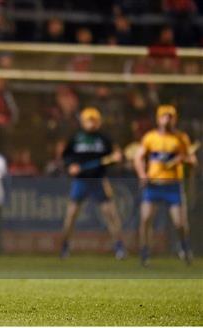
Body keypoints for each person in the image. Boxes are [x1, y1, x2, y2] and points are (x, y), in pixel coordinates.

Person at [60, 107, 126, 259]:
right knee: (71, 215)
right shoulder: (76, 138)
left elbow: (115, 154)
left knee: (111, 215)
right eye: (88, 120)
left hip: (99, 180)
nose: (91, 123)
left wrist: (117, 157)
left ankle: (119, 247)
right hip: (80, 181)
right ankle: (65, 246)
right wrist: (70, 166)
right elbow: (66, 157)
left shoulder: (104, 139)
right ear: (83, 122)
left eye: (94, 120)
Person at [134, 105, 195, 266]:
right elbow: (138, 157)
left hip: (173, 185)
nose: (166, 119)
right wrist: (142, 174)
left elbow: (192, 160)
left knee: (179, 223)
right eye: (164, 116)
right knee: (146, 219)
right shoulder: (150, 137)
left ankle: (184, 246)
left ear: (174, 119)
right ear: (158, 118)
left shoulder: (181, 138)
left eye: (170, 116)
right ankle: (145, 252)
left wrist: (183, 160)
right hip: (153, 184)